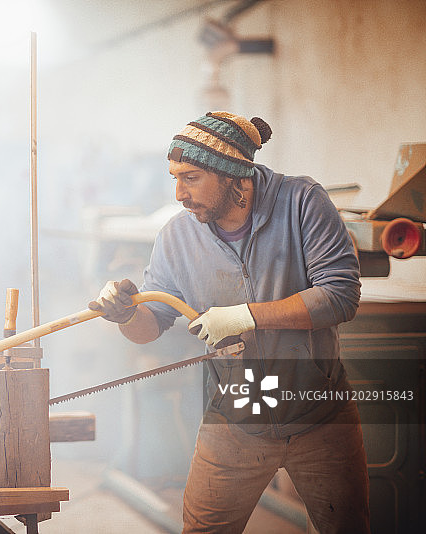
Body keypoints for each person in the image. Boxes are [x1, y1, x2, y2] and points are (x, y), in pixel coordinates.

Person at [89, 111, 370, 533]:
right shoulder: (177, 237)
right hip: (236, 412)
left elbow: (340, 295)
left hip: (319, 413)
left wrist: (245, 316)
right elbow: (150, 327)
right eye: (175, 178)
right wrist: (127, 314)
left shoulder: (302, 202)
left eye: (191, 178)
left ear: (234, 174)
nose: (179, 193)